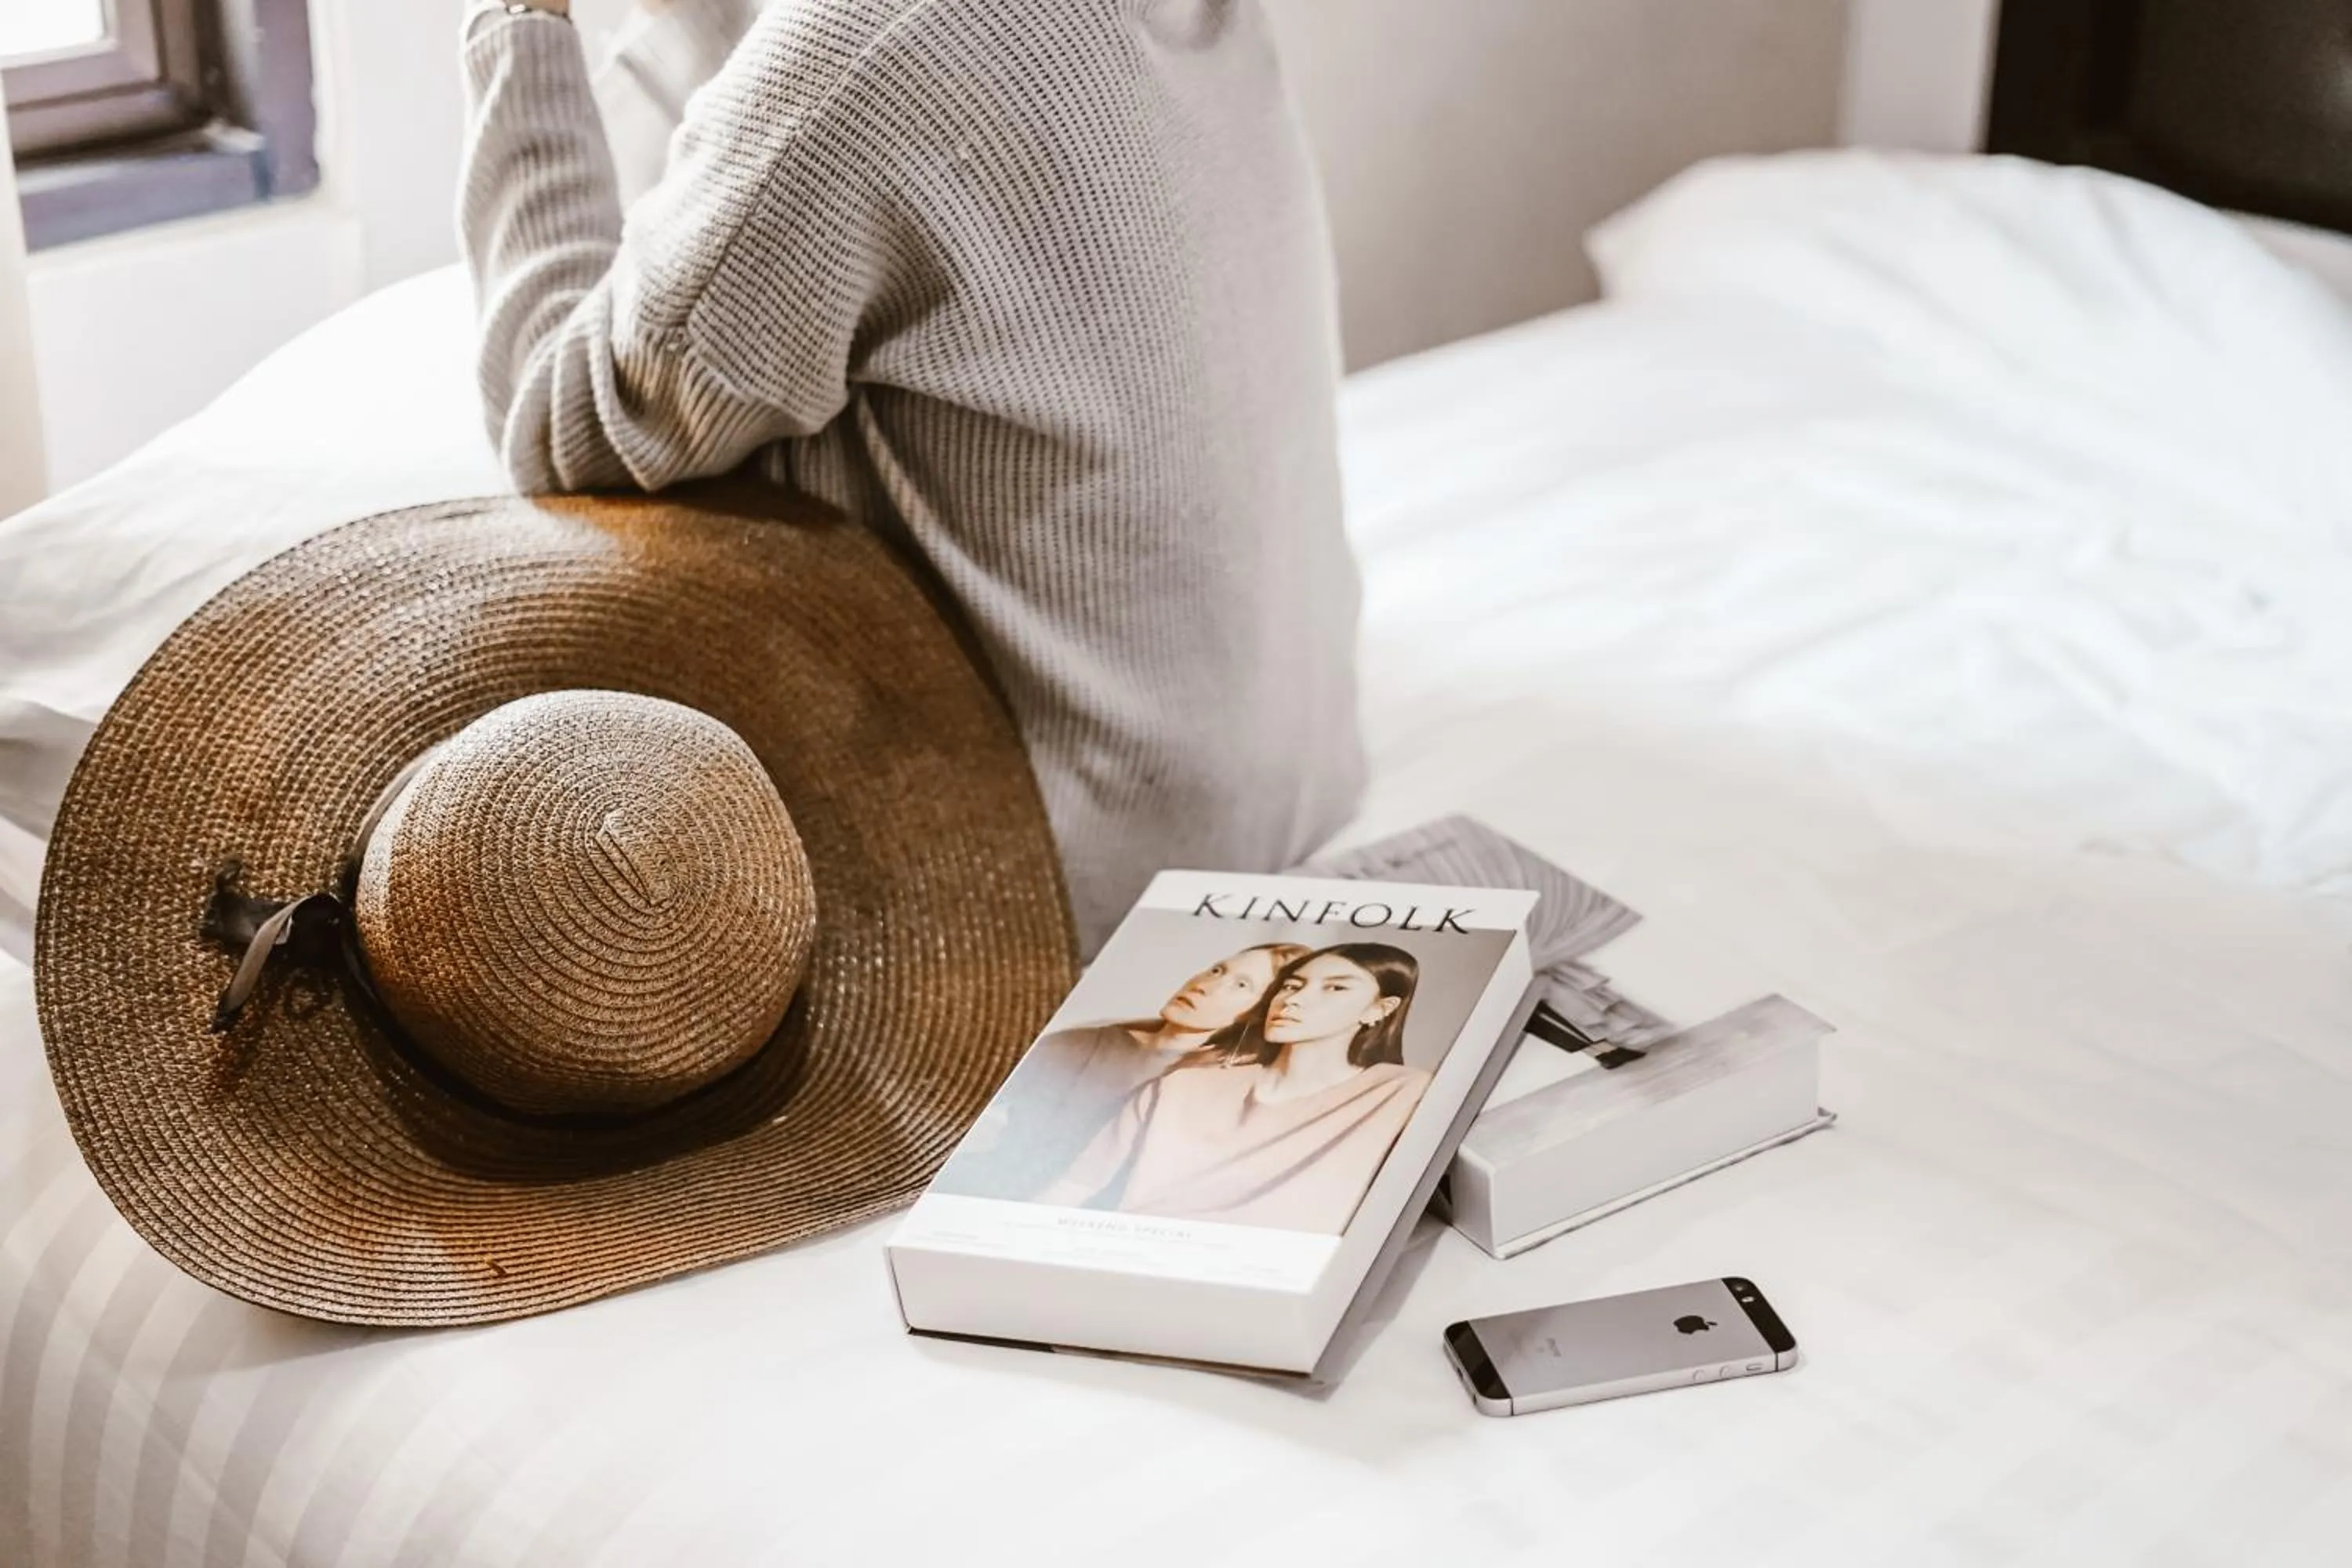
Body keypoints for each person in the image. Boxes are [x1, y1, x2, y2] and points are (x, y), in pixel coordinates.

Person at [455, 0, 1366, 954]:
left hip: (1078, 875)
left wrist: (517, 23)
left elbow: (555, 423)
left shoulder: (874, 42)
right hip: (1294, 765)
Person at [1038, 943, 1430, 1233]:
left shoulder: (1401, 1092)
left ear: (1379, 1010)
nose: (1295, 1000)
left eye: (1336, 989)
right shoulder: (1182, 1085)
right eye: (1291, 985)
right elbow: (1076, 1185)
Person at [935, 942, 1308, 1201]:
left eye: (1241, 985)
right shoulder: (1079, 1043)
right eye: (1217, 969)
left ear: (1258, 1015)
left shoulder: (1220, 1085)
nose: (1206, 985)